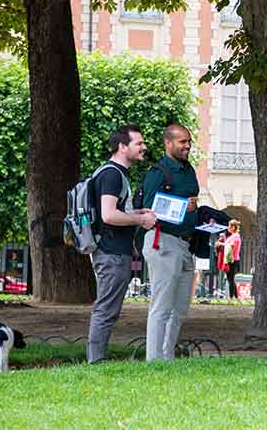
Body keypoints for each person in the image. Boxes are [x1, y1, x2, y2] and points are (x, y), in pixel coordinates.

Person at [87, 125, 157, 364]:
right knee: (106, 309)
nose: (144, 147)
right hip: (111, 252)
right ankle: (96, 361)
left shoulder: (111, 173)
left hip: (111, 250)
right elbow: (108, 215)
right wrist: (141, 219)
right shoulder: (112, 175)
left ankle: (97, 358)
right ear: (122, 147)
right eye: (139, 143)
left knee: (107, 308)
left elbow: (113, 212)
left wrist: (137, 212)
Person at [141, 123, 200, 361]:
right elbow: (149, 209)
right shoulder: (158, 172)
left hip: (185, 244)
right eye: (182, 141)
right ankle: (154, 360)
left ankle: (167, 357)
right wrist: (183, 207)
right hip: (164, 242)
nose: (187, 146)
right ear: (168, 143)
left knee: (180, 308)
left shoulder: (189, 170)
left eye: (189, 141)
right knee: (162, 306)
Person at [215, 220, 243, 299]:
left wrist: (221, 244)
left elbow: (232, 245)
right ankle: (234, 297)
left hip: (233, 260)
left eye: (229, 226)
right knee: (230, 279)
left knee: (230, 279)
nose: (228, 228)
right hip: (230, 259)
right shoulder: (232, 236)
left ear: (233, 227)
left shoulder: (236, 236)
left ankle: (232, 297)